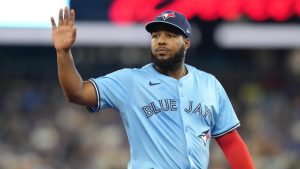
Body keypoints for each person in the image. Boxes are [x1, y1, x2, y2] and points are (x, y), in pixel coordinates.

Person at [51, 7, 255, 169]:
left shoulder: (209, 84)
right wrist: (63, 53)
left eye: (169, 35)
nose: (161, 41)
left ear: (186, 43)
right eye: (155, 36)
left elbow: (229, 141)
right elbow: (76, 92)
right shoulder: (131, 80)